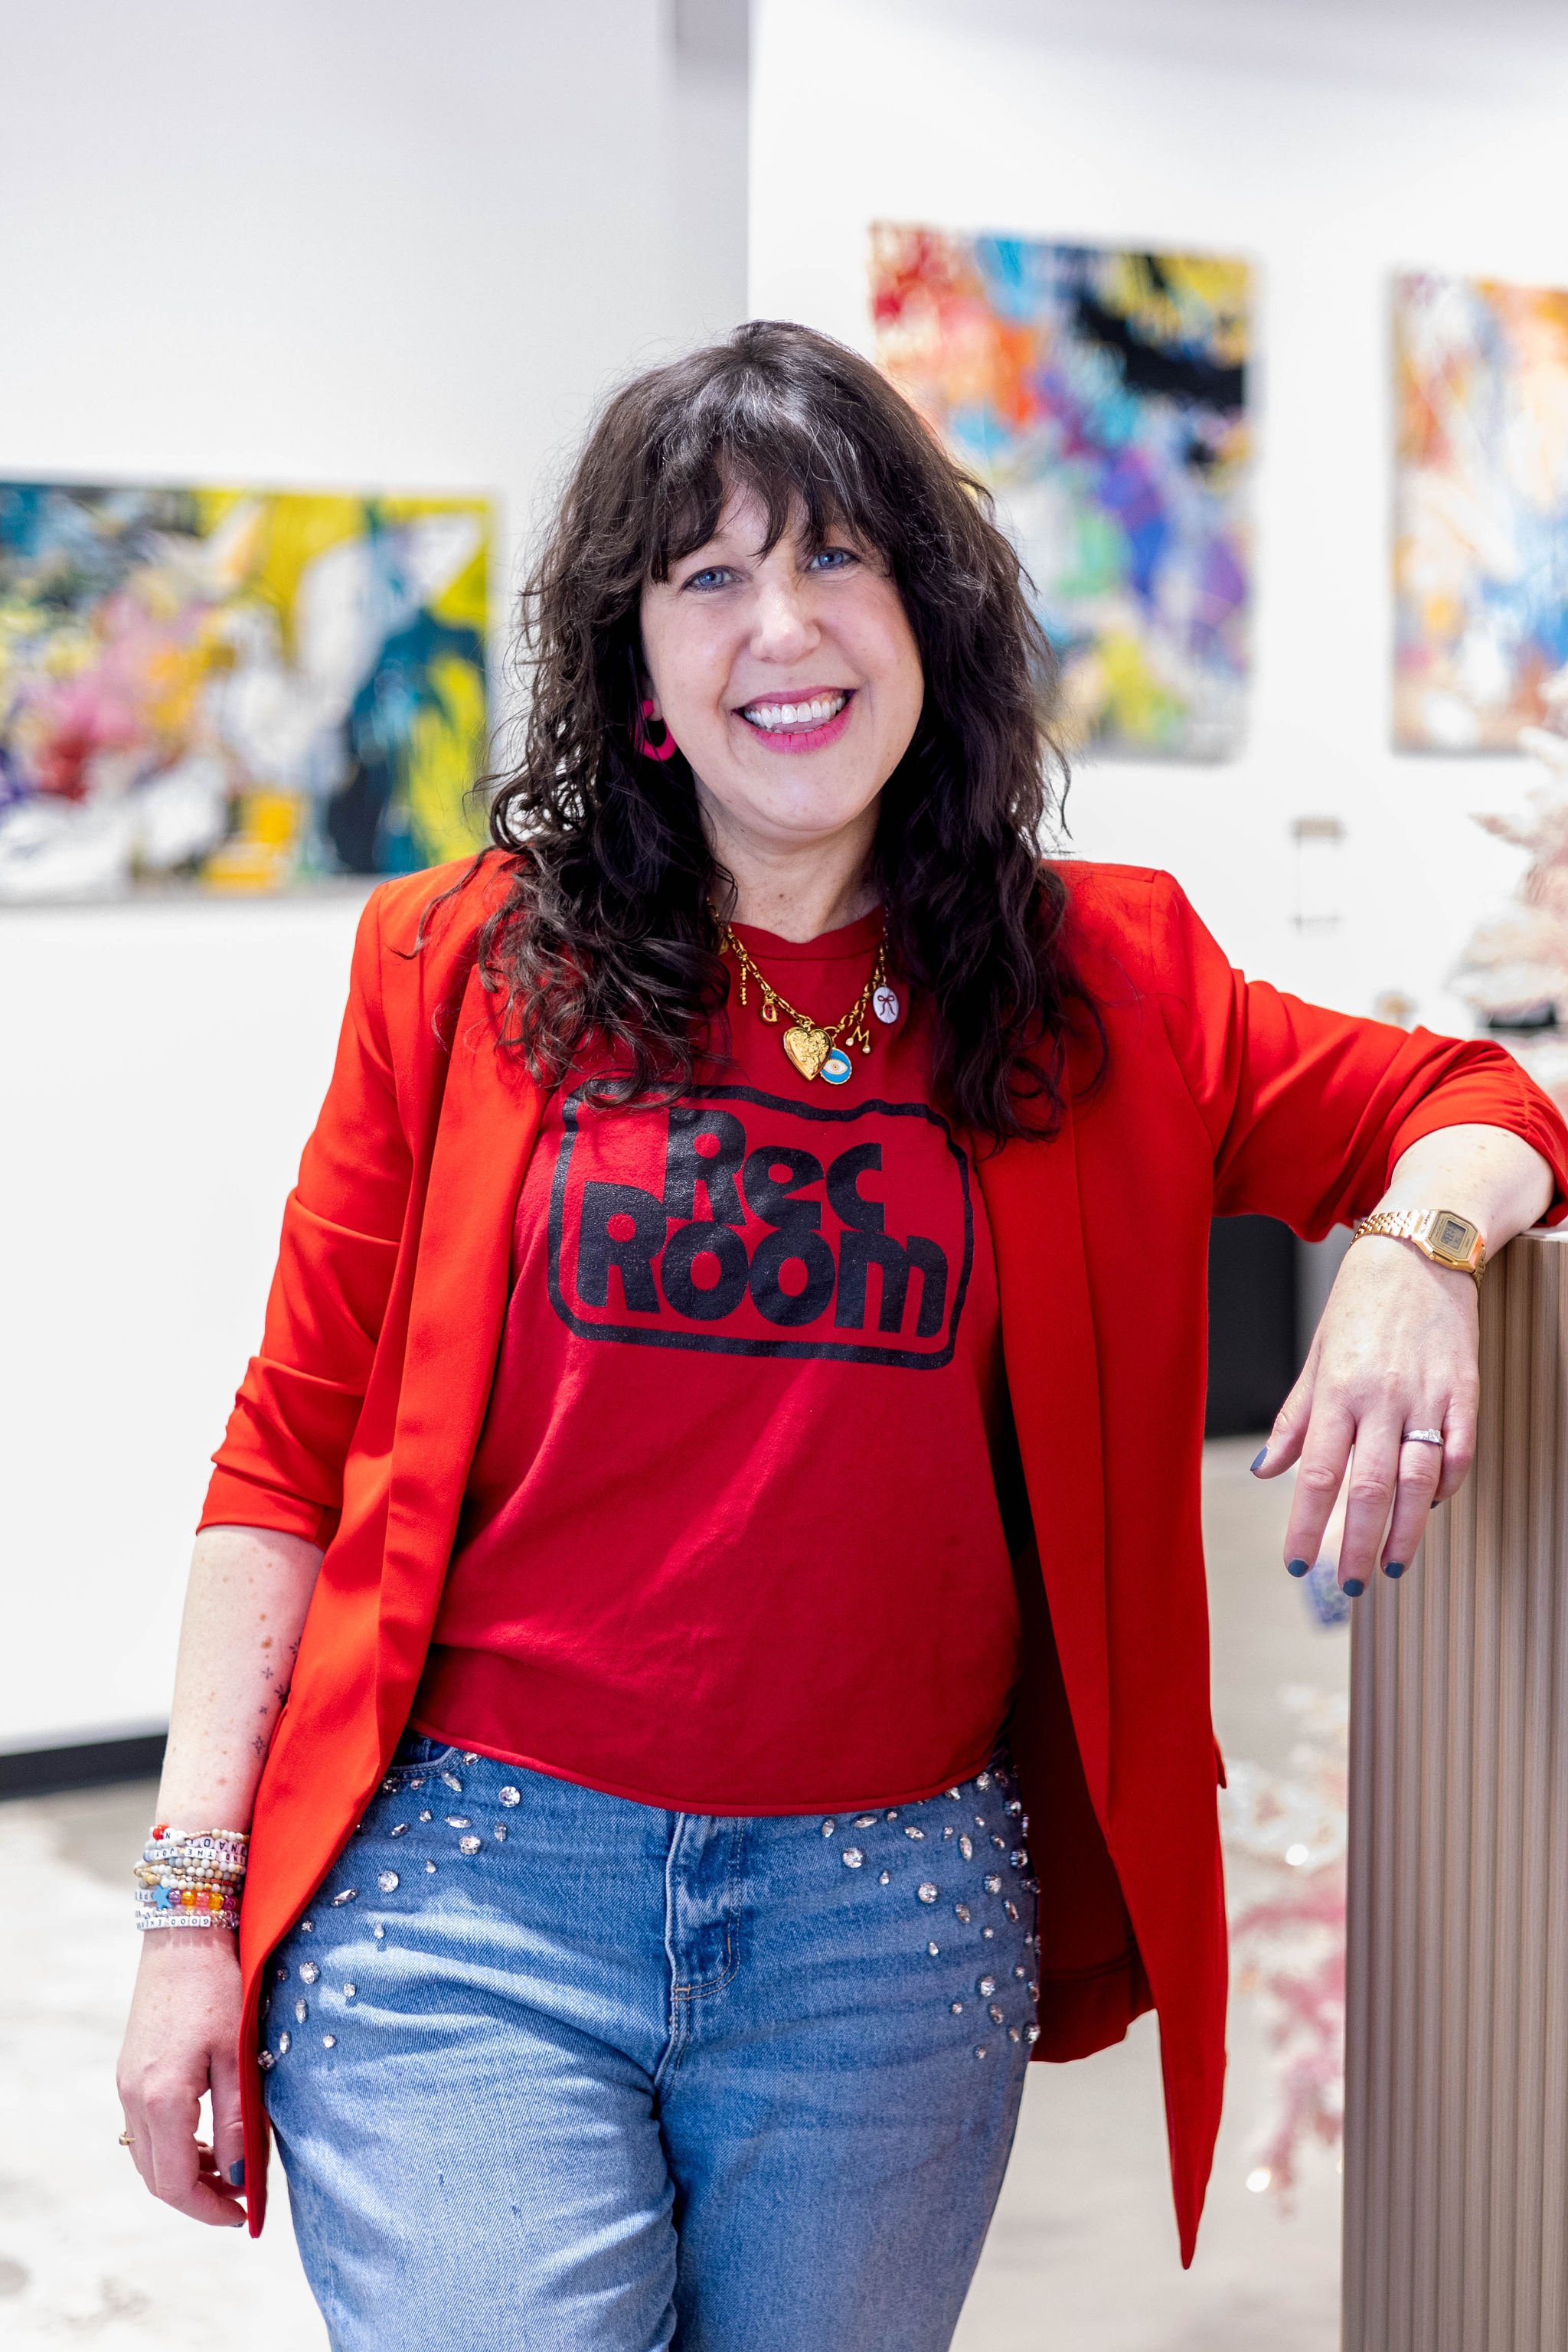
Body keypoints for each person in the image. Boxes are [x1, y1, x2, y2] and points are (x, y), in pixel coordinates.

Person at [116, 322, 1568, 2351]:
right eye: (706, 577)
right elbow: (284, 1458)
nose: (777, 627)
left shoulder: (1107, 989)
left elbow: (1488, 1107)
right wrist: (190, 1918)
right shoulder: (459, 970)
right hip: (469, 1898)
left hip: (884, 1937)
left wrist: (1418, 1254)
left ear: (926, 621)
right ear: (637, 669)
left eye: (832, 561)